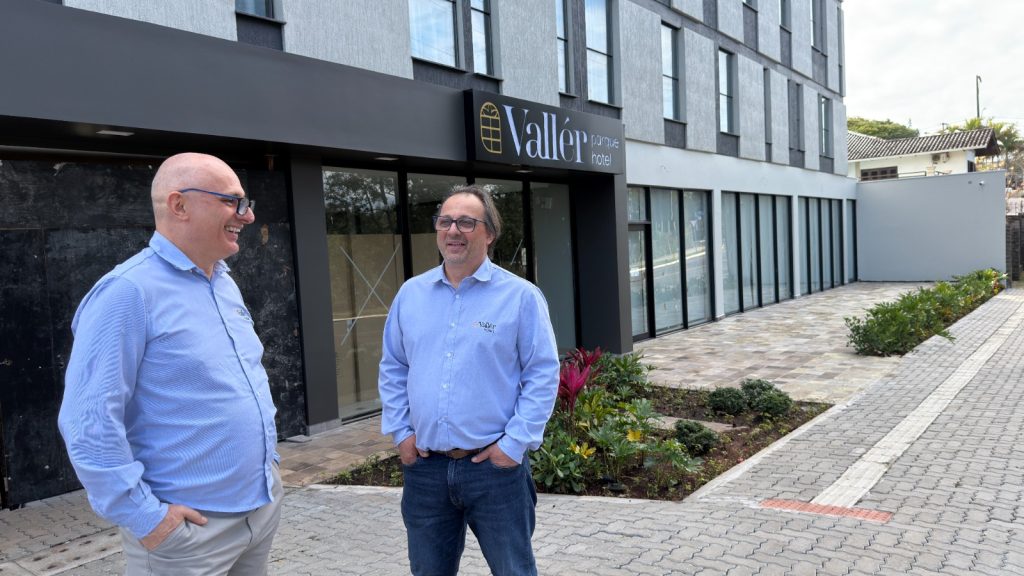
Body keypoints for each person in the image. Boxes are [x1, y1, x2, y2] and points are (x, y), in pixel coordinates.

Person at [58, 152, 282, 576]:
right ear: (179, 205)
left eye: (246, 202)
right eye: (231, 201)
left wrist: (269, 466)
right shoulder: (126, 292)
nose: (248, 215)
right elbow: (88, 422)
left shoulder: (222, 281)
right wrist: (146, 518)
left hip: (260, 508)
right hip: (188, 534)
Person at [378, 185, 560, 576]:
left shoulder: (520, 297)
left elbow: (543, 374)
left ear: (489, 233)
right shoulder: (411, 295)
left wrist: (514, 445)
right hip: (425, 470)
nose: (453, 230)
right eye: (445, 221)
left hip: (495, 471)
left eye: (466, 222)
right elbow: (394, 367)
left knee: (514, 571)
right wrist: (401, 433)